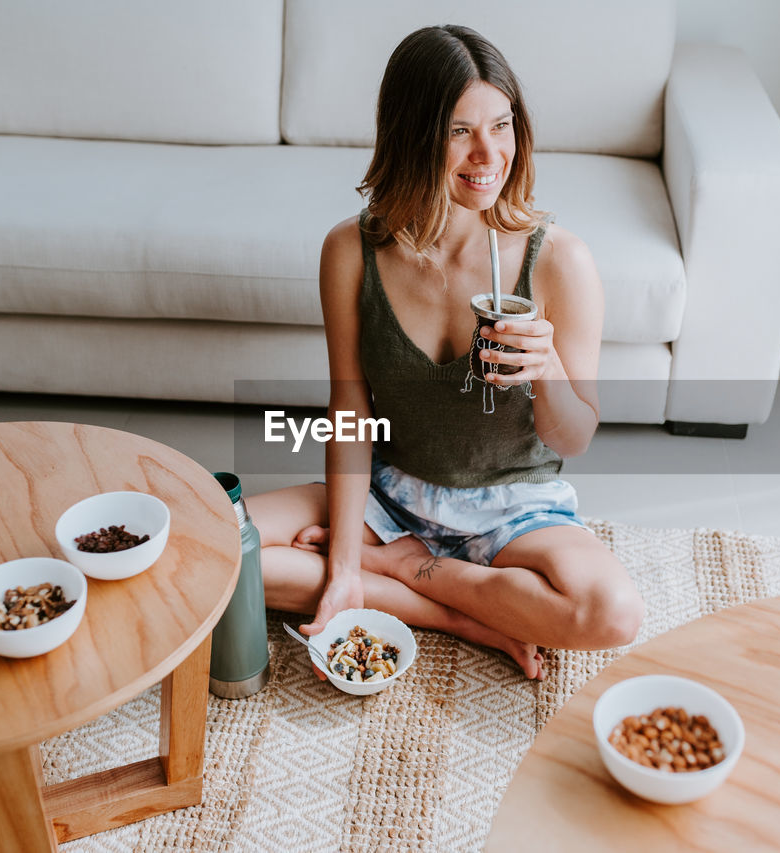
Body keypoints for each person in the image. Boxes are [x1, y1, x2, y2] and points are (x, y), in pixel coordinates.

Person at [252, 24, 644, 680]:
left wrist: (546, 370)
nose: (489, 153)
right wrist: (347, 557)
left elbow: (573, 437)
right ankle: (462, 614)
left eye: (502, 124)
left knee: (611, 612)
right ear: (413, 136)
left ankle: (403, 572)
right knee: (218, 545)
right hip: (390, 492)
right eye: (460, 131)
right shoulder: (351, 252)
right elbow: (350, 407)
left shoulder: (560, 262)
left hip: (513, 505)